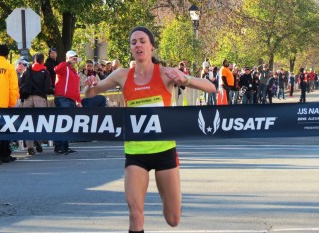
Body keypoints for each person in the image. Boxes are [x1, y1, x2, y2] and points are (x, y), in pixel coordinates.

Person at [84, 26, 216, 233]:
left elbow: (211, 87)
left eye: (142, 41)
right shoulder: (121, 75)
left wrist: (186, 79)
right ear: (130, 48)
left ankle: (173, 203)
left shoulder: (165, 74)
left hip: (164, 151)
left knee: (173, 219)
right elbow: (91, 93)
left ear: (151, 46)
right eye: (134, 42)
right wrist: (89, 84)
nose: (138, 45)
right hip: (136, 153)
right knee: (135, 213)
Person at [19, 52, 52, 155]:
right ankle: (38, 140)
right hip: (40, 98)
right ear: (42, 61)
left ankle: (29, 146)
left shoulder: (27, 70)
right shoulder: (45, 71)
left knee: (28, 122)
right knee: (40, 122)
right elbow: (47, 88)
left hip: (28, 98)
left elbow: (20, 84)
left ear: (34, 60)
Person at [53, 50, 80, 155]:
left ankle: (64, 146)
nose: (75, 59)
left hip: (71, 100)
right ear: (68, 58)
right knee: (63, 123)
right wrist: (66, 62)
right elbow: (56, 69)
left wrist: (78, 100)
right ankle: (59, 146)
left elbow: (75, 87)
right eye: (73, 57)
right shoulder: (64, 67)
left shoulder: (73, 71)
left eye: (75, 58)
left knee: (67, 124)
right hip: (63, 98)